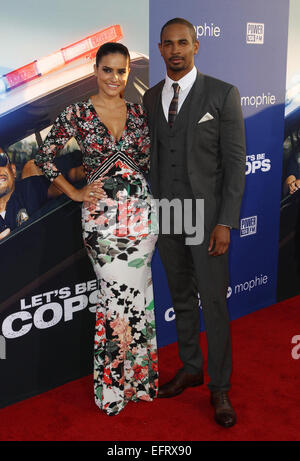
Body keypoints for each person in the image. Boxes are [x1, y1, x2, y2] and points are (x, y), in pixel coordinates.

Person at [34, 42, 158, 416]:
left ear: (127, 74)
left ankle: (139, 380)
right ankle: (113, 388)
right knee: (115, 296)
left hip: (141, 218)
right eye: (107, 70)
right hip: (102, 222)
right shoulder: (77, 112)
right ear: (96, 70)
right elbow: (43, 156)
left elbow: (150, 160)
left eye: (121, 71)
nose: (114, 78)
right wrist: (74, 192)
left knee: (139, 296)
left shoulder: (138, 114)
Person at [143, 18, 246, 428]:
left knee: (214, 302)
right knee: (181, 296)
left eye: (182, 42)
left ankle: (219, 387)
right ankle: (190, 367)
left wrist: (225, 221)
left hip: (206, 220)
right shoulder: (151, 98)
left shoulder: (222, 94)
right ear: (160, 48)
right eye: (167, 44)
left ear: (197, 45)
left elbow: (235, 164)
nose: (175, 51)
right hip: (167, 214)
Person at [0, 148, 51, 240]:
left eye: (1, 160)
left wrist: (73, 192)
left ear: (13, 170)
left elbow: (70, 178)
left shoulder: (31, 187)